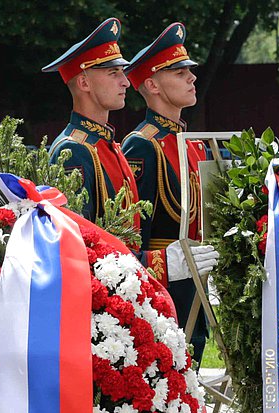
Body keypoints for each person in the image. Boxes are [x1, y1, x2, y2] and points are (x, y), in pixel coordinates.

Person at [122, 22, 219, 360]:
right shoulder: (142, 145)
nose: (191, 77)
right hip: (163, 286)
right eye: (179, 72)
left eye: (189, 71)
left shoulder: (193, 146)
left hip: (194, 281)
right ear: (152, 84)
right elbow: (135, 232)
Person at [42, 17, 140, 224]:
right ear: (84, 82)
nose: (126, 82)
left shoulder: (105, 143)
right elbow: (83, 238)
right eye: (114, 73)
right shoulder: (73, 150)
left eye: (123, 73)